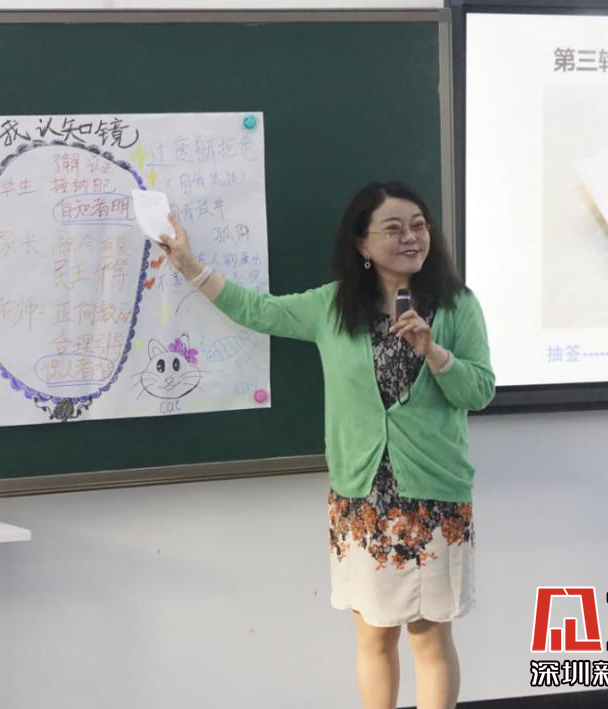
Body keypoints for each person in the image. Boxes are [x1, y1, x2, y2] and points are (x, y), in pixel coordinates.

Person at [157, 180, 494, 709]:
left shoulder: (456, 305)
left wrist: (435, 353)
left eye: (419, 225)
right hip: (362, 499)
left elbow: (479, 391)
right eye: (394, 228)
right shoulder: (332, 307)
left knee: (429, 638)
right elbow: (256, 310)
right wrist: (189, 266)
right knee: (374, 636)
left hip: (434, 497)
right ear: (362, 244)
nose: (411, 237)